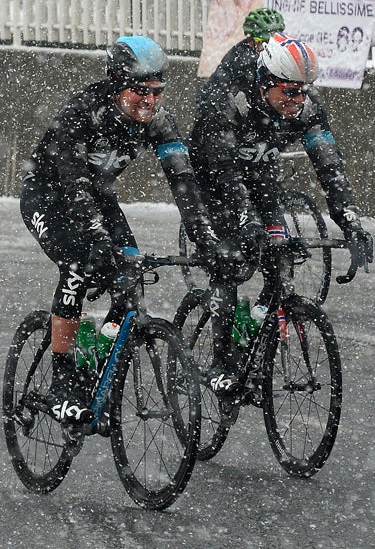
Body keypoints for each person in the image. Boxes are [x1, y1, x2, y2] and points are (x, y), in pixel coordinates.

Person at [20, 35, 224, 427]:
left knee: (130, 273)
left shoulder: (160, 122)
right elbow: (73, 181)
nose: (150, 101)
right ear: (116, 84)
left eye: (157, 91)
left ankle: (98, 354)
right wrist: (95, 237)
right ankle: (62, 378)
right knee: (79, 267)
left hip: (98, 196)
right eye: (140, 92)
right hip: (49, 196)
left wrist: (206, 237)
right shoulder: (83, 112)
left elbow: (183, 182)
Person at [189, 33, 374, 397]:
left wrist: (350, 220)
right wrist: (245, 220)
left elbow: (330, 166)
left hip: (260, 176)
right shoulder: (229, 101)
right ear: (264, 82)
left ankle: (255, 324)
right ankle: (220, 361)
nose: (298, 101)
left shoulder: (305, 109)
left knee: (280, 258)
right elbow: (224, 171)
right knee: (231, 264)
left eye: (304, 91)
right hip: (212, 180)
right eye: (290, 91)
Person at [197, 7, 286, 117]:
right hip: (218, 110)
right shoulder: (243, 61)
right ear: (250, 41)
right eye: (263, 42)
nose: (270, 47)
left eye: (275, 42)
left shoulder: (279, 54)